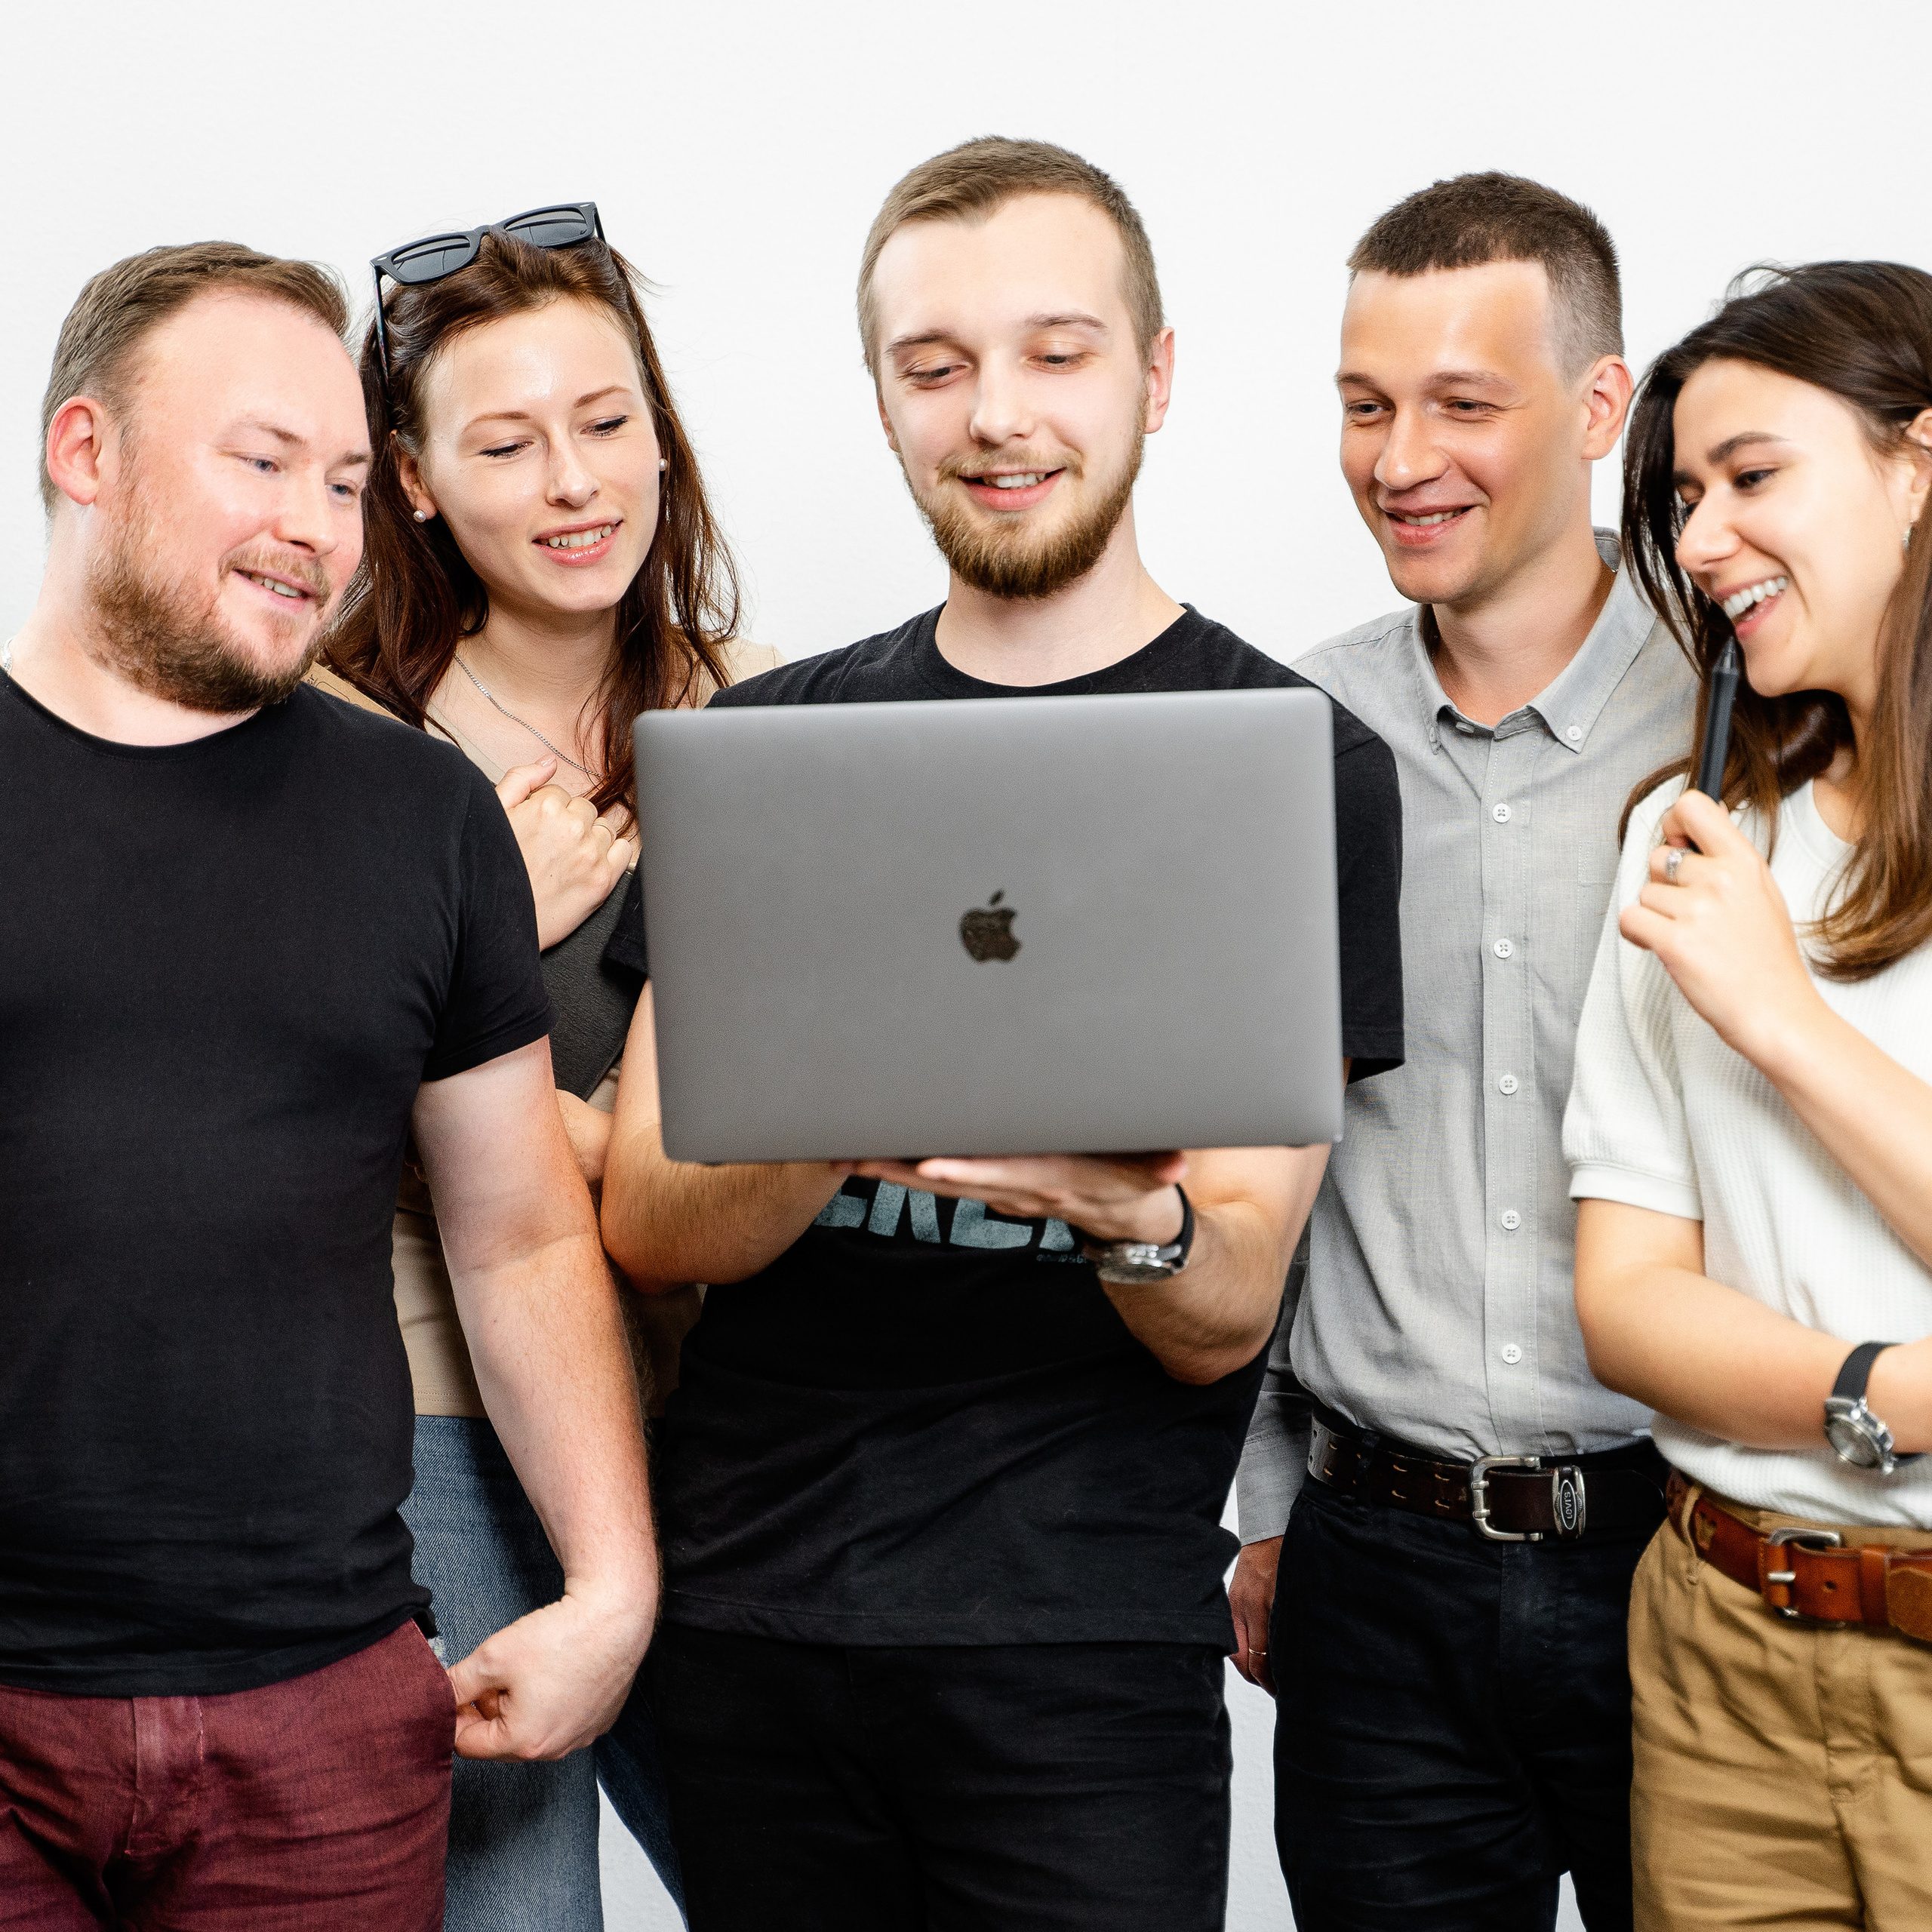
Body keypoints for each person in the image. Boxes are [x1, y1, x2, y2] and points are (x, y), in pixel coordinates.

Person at [596, 136, 1404, 1931]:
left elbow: (1225, 1307)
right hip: (751, 1622)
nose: (995, 415)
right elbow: (650, 1225)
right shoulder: (768, 751)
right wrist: (857, 1084)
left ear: (1155, 374)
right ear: (880, 401)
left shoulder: (1284, 764)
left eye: (1055, 350)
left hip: (1079, 1646)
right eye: (934, 363)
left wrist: (1132, 1217)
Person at [0, 243, 655, 1927]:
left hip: (324, 1708)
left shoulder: (422, 817)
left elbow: (513, 1233)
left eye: (352, 477)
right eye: (263, 459)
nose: (317, 518)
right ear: (87, 453)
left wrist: (611, 1580)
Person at [1227, 174, 1697, 1931]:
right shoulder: (1279, 735)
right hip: (1372, 1572)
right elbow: (1262, 1135)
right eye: (1363, 404)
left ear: (1596, 410)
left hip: (1688, 1550)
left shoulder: (1752, 718)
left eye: (1458, 402)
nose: (1397, 455)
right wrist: (1267, 1503)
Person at [318, 205, 774, 1930]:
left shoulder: (756, 722)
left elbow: (799, 1109)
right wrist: (489, 928)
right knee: (521, 1908)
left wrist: (596, 1138)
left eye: (603, 422)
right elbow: (270, 1115)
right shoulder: (333, 743)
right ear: (416, 483)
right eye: (504, 443)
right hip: (438, 1423)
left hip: (719, 1422)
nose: (573, 480)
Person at [1567, 260, 1932, 1930]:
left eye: (1749, 475)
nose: (1697, 541)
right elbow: (1627, 1303)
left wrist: (1778, 1015)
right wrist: (1885, 1391)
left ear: (1914, 461)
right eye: (1682, 496)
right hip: (1724, 1656)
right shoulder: (1691, 844)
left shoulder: (1736, 933)